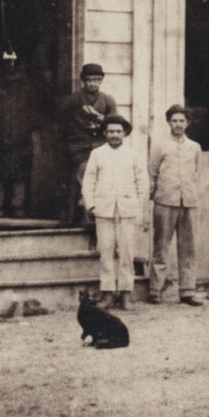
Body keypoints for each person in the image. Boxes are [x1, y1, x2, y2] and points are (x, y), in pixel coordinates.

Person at [82, 114, 149, 310]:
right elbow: (89, 181)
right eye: (110, 132)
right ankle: (108, 294)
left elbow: (143, 182)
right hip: (104, 211)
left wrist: (138, 204)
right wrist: (92, 205)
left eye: (118, 132)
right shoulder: (97, 154)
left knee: (127, 253)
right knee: (106, 253)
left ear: (125, 133)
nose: (114, 135)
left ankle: (126, 294)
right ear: (105, 133)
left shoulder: (134, 154)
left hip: (127, 210)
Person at [148, 104, 203, 306]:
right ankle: (155, 290)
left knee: (188, 248)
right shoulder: (160, 145)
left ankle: (187, 291)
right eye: (174, 121)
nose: (178, 124)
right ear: (169, 122)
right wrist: (157, 194)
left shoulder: (194, 147)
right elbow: (152, 172)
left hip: (188, 201)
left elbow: (197, 173)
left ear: (187, 123)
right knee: (161, 246)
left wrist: (189, 193)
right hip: (165, 200)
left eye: (181, 121)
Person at [61, 63, 117, 224]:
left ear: (101, 81)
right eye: (89, 80)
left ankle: (99, 217)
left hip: (100, 146)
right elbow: (64, 123)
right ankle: (82, 219)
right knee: (83, 176)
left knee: (102, 179)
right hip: (79, 146)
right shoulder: (73, 100)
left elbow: (114, 123)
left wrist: (102, 122)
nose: (93, 83)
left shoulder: (107, 100)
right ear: (83, 81)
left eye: (97, 80)